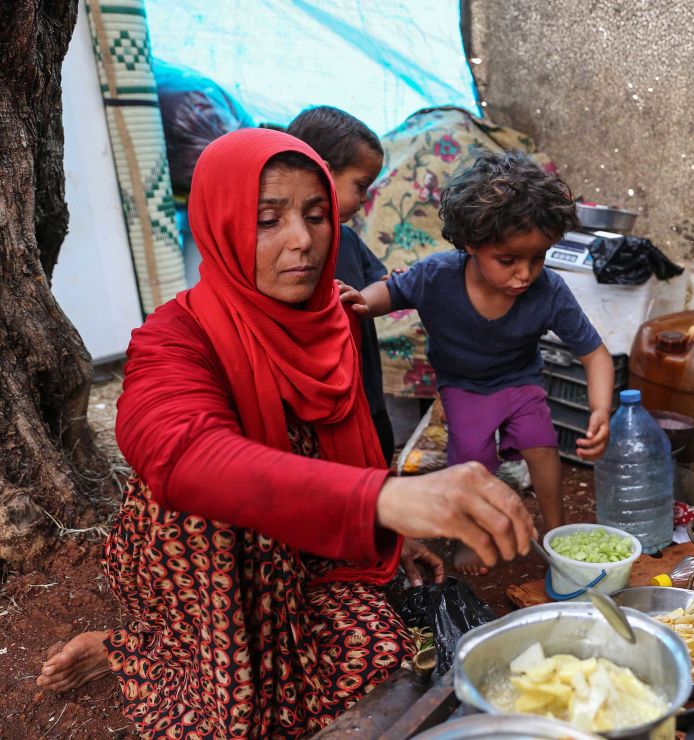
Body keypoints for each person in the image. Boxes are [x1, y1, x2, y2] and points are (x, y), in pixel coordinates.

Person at [36, 129, 535, 737]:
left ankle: (174, 650)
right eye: (267, 220)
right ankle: (132, 647)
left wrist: (389, 530)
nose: (302, 240)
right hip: (206, 568)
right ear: (218, 223)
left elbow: (351, 446)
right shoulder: (174, 338)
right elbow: (180, 454)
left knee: (381, 655)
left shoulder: (332, 317)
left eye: (317, 215)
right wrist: (386, 500)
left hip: (304, 548)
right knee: (237, 712)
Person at [340, 150, 614, 575]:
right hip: (463, 386)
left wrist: (599, 410)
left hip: (520, 381)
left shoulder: (550, 291)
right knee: (470, 460)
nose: (524, 274)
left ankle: (557, 530)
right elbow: (391, 293)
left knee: (542, 444)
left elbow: (593, 353)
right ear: (471, 244)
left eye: (537, 258)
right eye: (508, 260)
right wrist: (362, 301)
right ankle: (472, 534)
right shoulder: (436, 275)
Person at [286, 105, 396, 461]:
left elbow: (380, 284)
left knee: (378, 457)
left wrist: (387, 289)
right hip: (324, 406)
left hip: (367, 391)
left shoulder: (346, 240)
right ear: (320, 171)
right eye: (360, 187)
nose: (363, 202)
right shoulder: (288, 252)